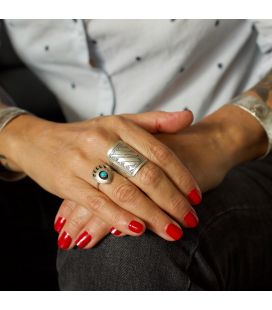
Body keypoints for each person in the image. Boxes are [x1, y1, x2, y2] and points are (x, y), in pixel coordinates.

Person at [0, 19, 272, 290]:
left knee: (124, 247)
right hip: (69, 150)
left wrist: (217, 138)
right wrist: (20, 136)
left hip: (245, 145)